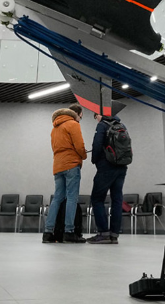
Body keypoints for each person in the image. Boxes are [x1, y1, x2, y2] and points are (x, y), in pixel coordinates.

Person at [42, 104, 88, 244]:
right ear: (77, 114)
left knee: (57, 198)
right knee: (72, 198)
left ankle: (48, 232)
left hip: (58, 165)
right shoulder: (73, 124)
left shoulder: (55, 128)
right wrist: (84, 155)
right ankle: (69, 232)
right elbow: (79, 145)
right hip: (71, 164)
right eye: (81, 116)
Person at [86, 103, 129, 245]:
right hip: (121, 167)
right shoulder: (122, 125)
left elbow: (97, 145)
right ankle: (114, 235)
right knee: (117, 199)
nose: (97, 119)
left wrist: (94, 161)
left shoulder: (102, 125)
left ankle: (103, 233)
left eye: (96, 116)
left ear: (100, 114)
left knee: (97, 198)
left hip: (106, 167)